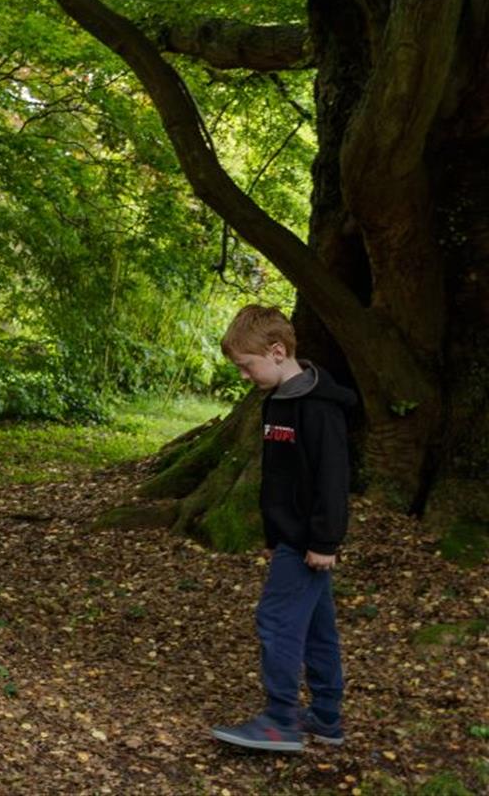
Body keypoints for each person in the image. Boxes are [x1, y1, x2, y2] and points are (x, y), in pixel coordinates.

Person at [210, 304, 354, 752]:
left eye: (246, 366)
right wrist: (273, 536)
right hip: (290, 538)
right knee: (315, 628)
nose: (244, 376)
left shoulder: (319, 408)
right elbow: (279, 479)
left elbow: (333, 477)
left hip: (309, 541)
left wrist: (324, 540)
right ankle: (327, 717)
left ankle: (280, 720)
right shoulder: (277, 402)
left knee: (276, 620)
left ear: (276, 352)